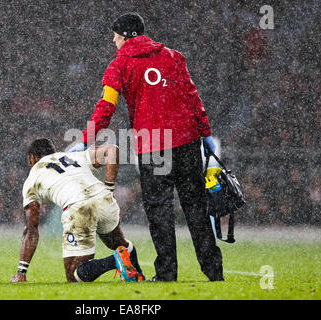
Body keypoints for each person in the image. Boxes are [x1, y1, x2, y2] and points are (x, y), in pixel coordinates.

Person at [68, 13, 223, 281]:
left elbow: (106, 106)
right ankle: (214, 272)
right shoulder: (173, 57)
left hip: (154, 147)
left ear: (126, 36)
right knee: (196, 208)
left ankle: (166, 274)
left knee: (159, 211)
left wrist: (86, 138)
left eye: (115, 36)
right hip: (187, 141)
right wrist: (205, 134)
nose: (113, 40)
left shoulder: (119, 65)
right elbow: (192, 96)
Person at [11, 138, 145, 283]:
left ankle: (114, 261)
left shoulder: (31, 179)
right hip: (104, 198)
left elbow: (31, 228)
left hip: (79, 208)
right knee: (119, 243)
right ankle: (138, 275)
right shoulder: (73, 156)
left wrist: (21, 271)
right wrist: (110, 188)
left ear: (32, 158)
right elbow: (112, 150)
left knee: (74, 275)